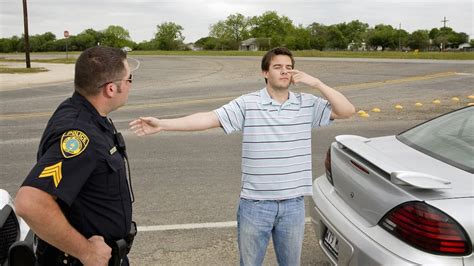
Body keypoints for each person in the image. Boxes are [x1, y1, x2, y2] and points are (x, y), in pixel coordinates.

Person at [129, 47, 355, 265]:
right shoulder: (248, 103)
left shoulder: (307, 104)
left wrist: (316, 83)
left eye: (289, 67)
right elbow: (208, 118)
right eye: (278, 67)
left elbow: (347, 110)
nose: (285, 71)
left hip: (293, 205)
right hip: (255, 205)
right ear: (265, 73)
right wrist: (163, 124)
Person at [15, 46, 136, 266]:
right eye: (129, 79)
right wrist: (86, 251)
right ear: (110, 89)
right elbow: (30, 202)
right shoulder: (81, 135)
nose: (130, 84)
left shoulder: (81, 111)